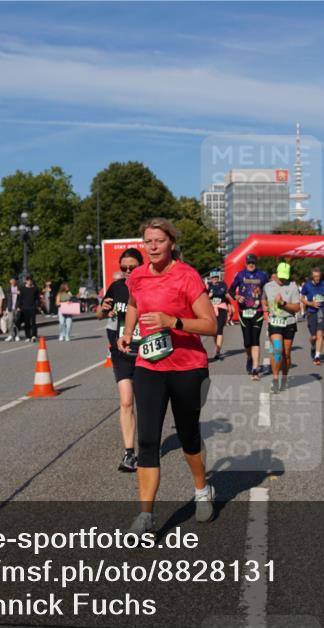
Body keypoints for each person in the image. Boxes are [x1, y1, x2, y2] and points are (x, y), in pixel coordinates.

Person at [117, 218, 217, 536]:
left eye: (159, 240)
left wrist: (172, 320)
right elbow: (134, 303)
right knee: (147, 440)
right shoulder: (139, 276)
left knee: (188, 436)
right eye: (148, 241)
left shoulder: (186, 276)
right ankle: (146, 516)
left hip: (188, 367)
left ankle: (202, 490)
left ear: (171, 243)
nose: (154, 246)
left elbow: (211, 324)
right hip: (149, 365)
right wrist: (128, 331)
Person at [99, 250, 145, 472]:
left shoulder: (149, 286)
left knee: (146, 403)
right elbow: (100, 313)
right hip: (122, 351)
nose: (128, 272)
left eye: (132, 267)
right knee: (126, 401)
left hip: (147, 351)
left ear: (141, 266)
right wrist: (103, 308)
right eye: (124, 268)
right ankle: (129, 453)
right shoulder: (116, 288)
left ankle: (148, 445)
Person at [262, 262, 301, 393]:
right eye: (281, 276)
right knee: (277, 350)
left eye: (285, 276)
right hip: (275, 323)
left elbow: (297, 307)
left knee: (286, 353)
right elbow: (263, 299)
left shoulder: (293, 286)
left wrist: (283, 303)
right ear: (276, 273)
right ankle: (275, 379)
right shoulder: (268, 286)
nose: (283, 279)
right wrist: (265, 309)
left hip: (289, 323)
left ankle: (284, 378)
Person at [228, 254, 269, 379]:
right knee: (247, 341)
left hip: (258, 311)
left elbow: (268, 291)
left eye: (253, 262)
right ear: (245, 263)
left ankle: (255, 369)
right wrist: (236, 297)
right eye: (249, 262)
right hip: (244, 312)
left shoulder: (262, 275)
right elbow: (230, 290)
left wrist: (267, 304)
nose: (251, 264)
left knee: (255, 339)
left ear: (256, 263)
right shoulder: (240, 275)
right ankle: (249, 357)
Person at [300, 267, 324, 365]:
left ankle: (317, 356)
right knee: (313, 337)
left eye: (319, 276)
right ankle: (313, 347)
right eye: (315, 276)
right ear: (312, 276)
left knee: (320, 334)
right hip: (311, 311)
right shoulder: (307, 286)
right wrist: (310, 303)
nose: (317, 278)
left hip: (322, 311)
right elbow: (301, 298)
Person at [207, 272, 230, 361]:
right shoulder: (208, 286)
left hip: (221, 309)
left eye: (216, 277)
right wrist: (208, 296)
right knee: (214, 331)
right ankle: (217, 348)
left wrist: (231, 297)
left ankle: (217, 351)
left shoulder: (222, 284)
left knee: (219, 329)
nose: (215, 279)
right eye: (213, 277)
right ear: (211, 278)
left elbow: (225, 294)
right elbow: (204, 297)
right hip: (212, 310)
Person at [17, 275, 41, 341]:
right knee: (26, 323)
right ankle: (28, 336)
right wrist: (19, 307)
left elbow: (37, 298)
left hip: (32, 307)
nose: (29, 281)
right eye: (28, 280)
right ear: (26, 281)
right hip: (25, 308)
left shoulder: (35, 289)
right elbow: (20, 299)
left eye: (30, 280)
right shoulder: (22, 289)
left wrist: (38, 305)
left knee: (33, 322)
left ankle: (34, 335)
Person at [3, 277, 20, 341]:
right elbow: (5, 300)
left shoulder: (19, 288)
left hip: (17, 308)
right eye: (11, 281)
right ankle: (10, 335)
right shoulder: (8, 289)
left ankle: (17, 335)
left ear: (16, 281)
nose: (12, 282)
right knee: (10, 321)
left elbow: (21, 299)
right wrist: (4, 309)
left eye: (14, 281)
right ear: (10, 281)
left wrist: (20, 307)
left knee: (16, 321)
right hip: (10, 308)